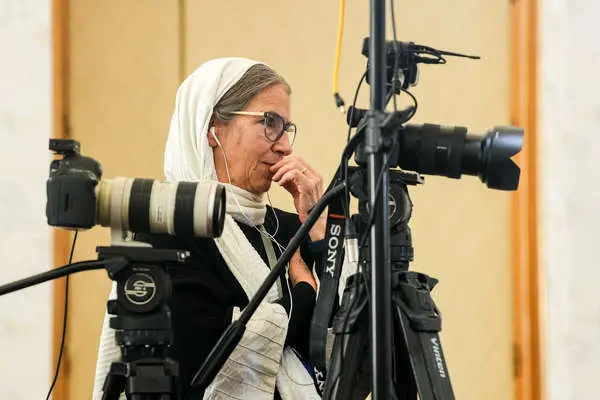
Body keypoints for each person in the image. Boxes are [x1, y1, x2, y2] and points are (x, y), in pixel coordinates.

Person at [92, 58, 326, 399]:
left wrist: (321, 233)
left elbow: (345, 346)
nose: (285, 146)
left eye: (286, 127)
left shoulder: (290, 227)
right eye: (269, 123)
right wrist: (303, 296)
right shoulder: (167, 230)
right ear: (211, 129)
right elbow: (203, 353)